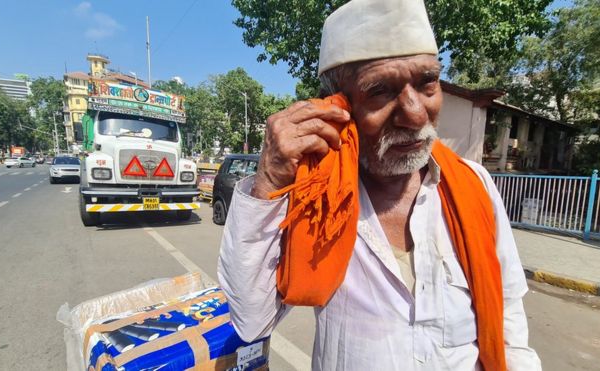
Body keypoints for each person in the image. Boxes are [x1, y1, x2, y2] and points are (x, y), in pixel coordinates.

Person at [218, 0, 541, 370]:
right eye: (381, 91)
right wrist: (270, 179)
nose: (415, 114)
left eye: (427, 83)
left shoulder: (474, 186)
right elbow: (251, 319)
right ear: (339, 105)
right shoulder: (315, 198)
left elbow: (508, 322)